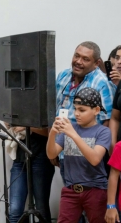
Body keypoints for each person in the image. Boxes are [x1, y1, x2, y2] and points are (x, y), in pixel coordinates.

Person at [47, 87, 111, 222]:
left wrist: (73, 134)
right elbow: (51, 154)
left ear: (96, 110)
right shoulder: (69, 129)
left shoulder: (103, 132)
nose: (76, 113)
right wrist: (52, 133)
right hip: (70, 190)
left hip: (96, 190)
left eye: (82, 110)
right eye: (75, 108)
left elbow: (95, 159)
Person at [56, 41, 116, 184]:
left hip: (89, 157)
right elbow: (55, 109)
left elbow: (107, 122)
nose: (78, 61)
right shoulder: (63, 75)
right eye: (76, 56)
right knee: (72, 198)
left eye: (85, 59)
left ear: (96, 63)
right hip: (65, 154)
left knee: (91, 202)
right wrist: (55, 145)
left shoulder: (103, 83)